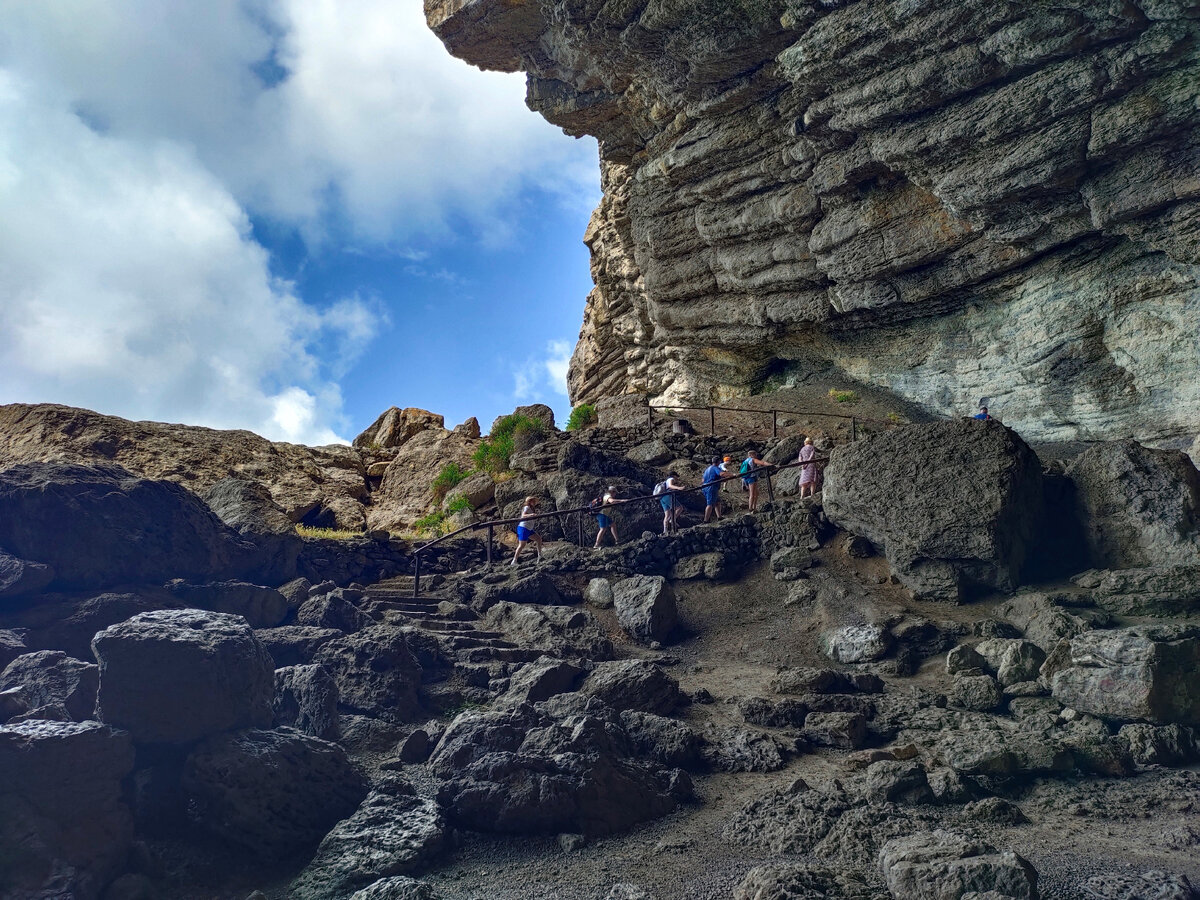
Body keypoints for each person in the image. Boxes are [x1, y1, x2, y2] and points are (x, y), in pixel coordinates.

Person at [511, 496, 543, 564]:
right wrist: (531, 515)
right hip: (524, 528)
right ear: (529, 502)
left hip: (528, 528)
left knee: (538, 539)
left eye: (534, 501)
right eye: (532, 501)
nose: (534, 502)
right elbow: (523, 515)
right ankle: (514, 560)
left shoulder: (532, 509)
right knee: (522, 545)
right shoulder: (527, 507)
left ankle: (540, 556)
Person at [702, 456, 724, 522]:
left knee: (717, 502)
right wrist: (731, 475)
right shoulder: (715, 468)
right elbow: (721, 474)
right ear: (718, 462)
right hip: (711, 487)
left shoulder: (707, 469)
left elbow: (703, 480)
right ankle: (706, 520)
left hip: (706, 487)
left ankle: (719, 517)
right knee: (710, 504)